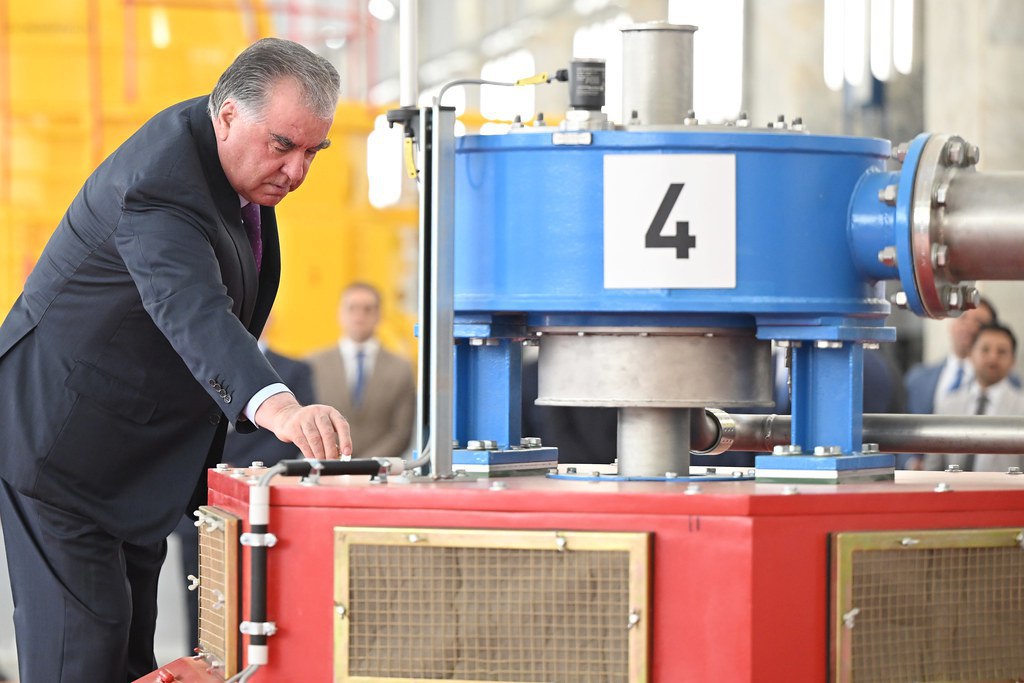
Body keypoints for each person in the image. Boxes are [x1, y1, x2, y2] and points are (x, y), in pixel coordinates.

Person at [0, 38, 352, 682]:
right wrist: (278, 406)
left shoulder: (229, 165)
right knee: (82, 655)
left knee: (129, 655)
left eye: (313, 151)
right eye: (283, 145)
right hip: (61, 444)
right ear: (228, 115)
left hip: (134, 451)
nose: (297, 170)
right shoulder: (158, 183)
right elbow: (191, 307)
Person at [172, 331, 315, 652]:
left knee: (262, 597)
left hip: (260, 507)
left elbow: (291, 440)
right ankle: (201, 661)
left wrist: (241, 473)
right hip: (199, 503)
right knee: (201, 600)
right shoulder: (189, 363)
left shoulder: (293, 371)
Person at [306, 283, 415, 458]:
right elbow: (307, 421)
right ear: (340, 314)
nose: (359, 315)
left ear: (379, 315)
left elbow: (401, 432)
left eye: (367, 309)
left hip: (378, 469)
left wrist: (364, 465)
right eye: (352, 308)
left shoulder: (400, 368)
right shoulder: (313, 365)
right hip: (327, 465)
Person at [924, 322, 1024, 472]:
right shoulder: (949, 403)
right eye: (985, 349)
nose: (992, 358)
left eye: (1002, 352)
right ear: (971, 354)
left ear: (1013, 361)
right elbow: (933, 466)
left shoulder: (1021, 407)